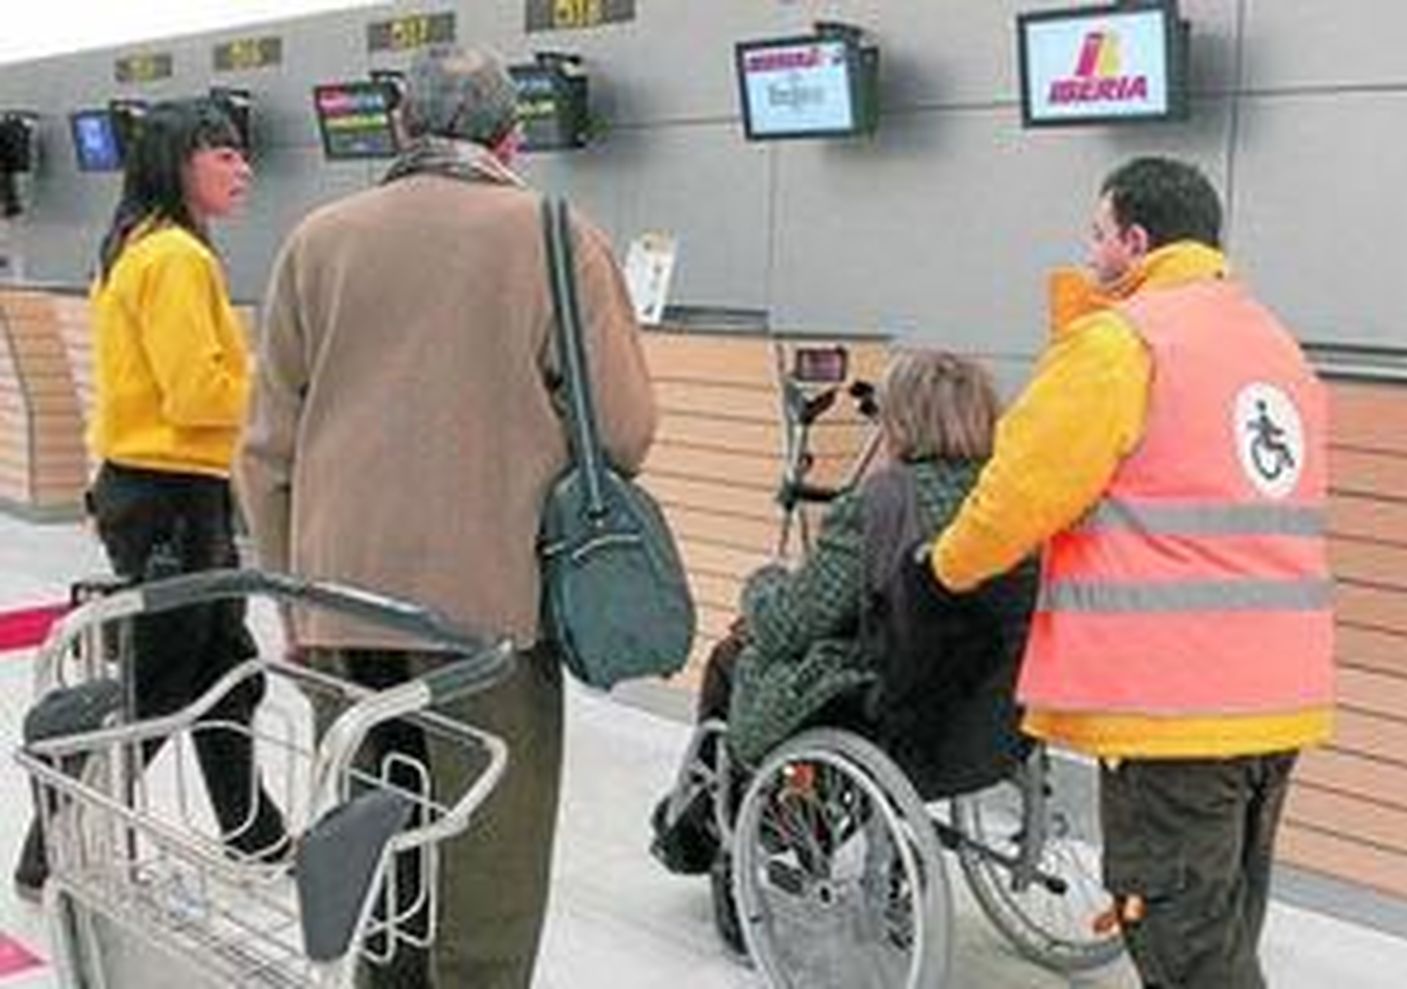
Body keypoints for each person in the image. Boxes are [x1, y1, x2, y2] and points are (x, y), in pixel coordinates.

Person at [236, 44, 656, 989]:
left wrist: (294, 605)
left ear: (398, 128)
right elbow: (624, 430)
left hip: (337, 596)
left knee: (380, 827)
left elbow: (265, 451)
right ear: (513, 138)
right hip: (488, 609)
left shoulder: (319, 239)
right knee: (489, 863)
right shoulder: (556, 234)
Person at [929, 157, 1335, 988]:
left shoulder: (1124, 342)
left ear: (1136, 241)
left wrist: (944, 567)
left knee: (1183, 948)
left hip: (1177, 707)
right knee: (1222, 929)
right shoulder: (1274, 346)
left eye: (1097, 235)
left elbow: (1016, 493)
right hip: (1279, 694)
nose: (1089, 252)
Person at [651, 350, 1035, 950]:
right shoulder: (1016, 498)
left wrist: (762, 584)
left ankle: (721, 834)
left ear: (902, 422)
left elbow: (791, 624)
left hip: (893, 715)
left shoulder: (880, 504)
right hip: (992, 717)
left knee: (736, 654)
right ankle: (772, 822)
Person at [14, 98, 285, 900]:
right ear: (179, 161)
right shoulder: (174, 257)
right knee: (161, 684)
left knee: (226, 668)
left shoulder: (136, 245)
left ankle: (254, 832)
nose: (243, 168)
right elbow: (197, 392)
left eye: (242, 153)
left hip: (163, 493)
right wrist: (275, 387)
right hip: (169, 497)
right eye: (225, 154)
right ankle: (52, 842)